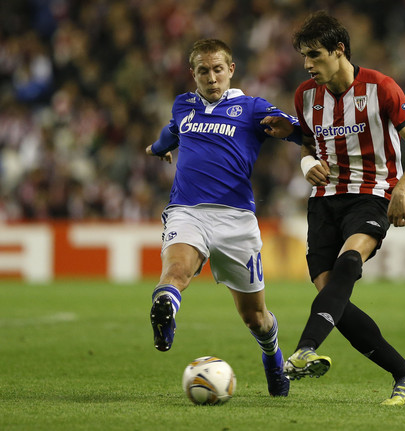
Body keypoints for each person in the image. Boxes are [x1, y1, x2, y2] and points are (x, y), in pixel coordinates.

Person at [283, 12, 405, 406]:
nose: (307, 65)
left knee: (350, 262)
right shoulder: (305, 96)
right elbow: (306, 145)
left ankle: (303, 350)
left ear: (339, 50)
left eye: (315, 55)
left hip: (372, 194)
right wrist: (306, 164)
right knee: (334, 297)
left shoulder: (381, 87)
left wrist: (400, 190)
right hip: (323, 203)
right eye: (303, 57)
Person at [146, 38, 300, 397]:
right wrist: (158, 148)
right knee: (176, 272)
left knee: (256, 319)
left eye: (218, 69)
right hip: (187, 211)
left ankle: (273, 360)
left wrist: (293, 132)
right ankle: (165, 307)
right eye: (203, 71)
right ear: (193, 74)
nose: (211, 77)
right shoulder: (184, 105)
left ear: (230, 70)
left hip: (236, 220)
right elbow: (171, 132)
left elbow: (290, 128)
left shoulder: (251, 108)